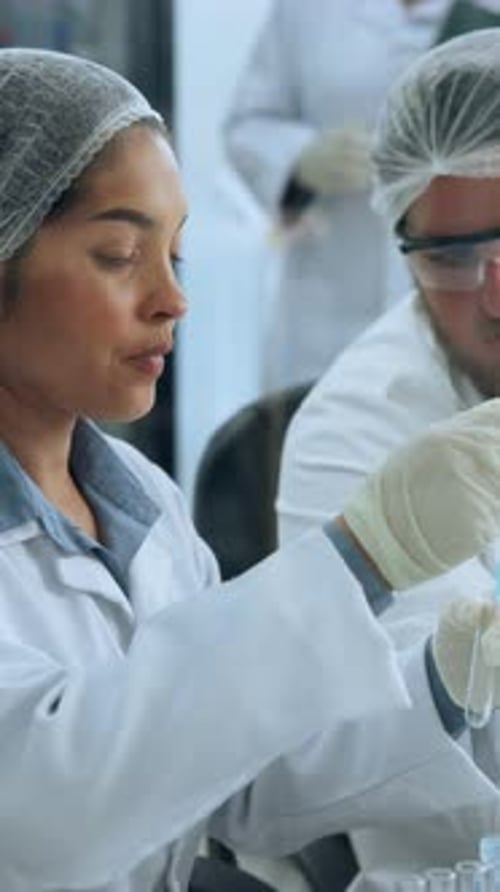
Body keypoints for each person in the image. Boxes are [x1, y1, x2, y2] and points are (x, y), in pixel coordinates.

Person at [1, 48, 500, 892]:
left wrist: (444, 686)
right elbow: (44, 814)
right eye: (121, 254)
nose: (173, 299)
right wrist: (364, 557)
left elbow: (236, 778)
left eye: (177, 255)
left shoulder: (138, 502)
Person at [277, 26, 500, 892]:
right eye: (449, 256)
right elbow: (445, 757)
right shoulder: (358, 432)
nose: (493, 293)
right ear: (400, 244)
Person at [222, 0, 500, 391]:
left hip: (468, 285)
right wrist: (300, 158)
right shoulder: (307, 11)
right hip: (331, 305)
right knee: (329, 427)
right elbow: (248, 123)